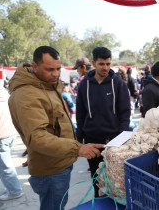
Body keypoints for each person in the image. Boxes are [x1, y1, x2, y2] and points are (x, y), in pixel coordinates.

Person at [8, 46, 104, 210]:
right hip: (51, 168)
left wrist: (33, 148)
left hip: (57, 159)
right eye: (50, 69)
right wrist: (78, 148)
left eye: (58, 68)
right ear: (35, 66)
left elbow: (50, 124)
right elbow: (38, 137)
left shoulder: (45, 84)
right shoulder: (27, 94)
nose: (56, 74)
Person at [76, 47, 131, 197]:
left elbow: (125, 113)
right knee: (97, 183)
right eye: (101, 64)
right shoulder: (83, 85)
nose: (105, 67)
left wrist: (121, 140)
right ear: (93, 63)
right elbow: (80, 114)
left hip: (114, 142)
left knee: (116, 184)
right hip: (92, 142)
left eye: (108, 64)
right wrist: (79, 140)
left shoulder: (118, 84)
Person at [0, 87, 23, 201]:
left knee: (4, 166)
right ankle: (11, 188)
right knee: (5, 164)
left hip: (2, 137)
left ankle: (14, 191)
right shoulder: (6, 98)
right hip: (9, 134)